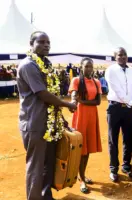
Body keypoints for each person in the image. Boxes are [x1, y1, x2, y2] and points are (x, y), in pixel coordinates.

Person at [16, 31, 77, 200]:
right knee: (36, 166)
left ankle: (46, 196)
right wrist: (67, 104)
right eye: (41, 42)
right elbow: (43, 94)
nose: (46, 45)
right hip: (35, 123)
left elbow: (51, 94)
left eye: (48, 42)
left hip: (50, 124)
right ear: (31, 44)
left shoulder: (47, 65)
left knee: (48, 163)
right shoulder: (28, 65)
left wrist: (61, 120)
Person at [105, 47, 132, 182]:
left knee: (129, 139)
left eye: (124, 54)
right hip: (115, 108)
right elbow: (118, 90)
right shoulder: (110, 70)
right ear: (115, 57)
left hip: (128, 110)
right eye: (119, 55)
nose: (122, 57)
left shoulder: (131, 70)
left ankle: (126, 166)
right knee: (113, 140)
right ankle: (113, 169)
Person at [69, 57, 102, 193]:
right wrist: (74, 100)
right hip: (80, 116)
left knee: (87, 148)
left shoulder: (96, 82)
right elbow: (73, 94)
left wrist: (82, 101)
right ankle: (81, 178)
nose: (89, 69)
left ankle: (82, 175)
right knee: (80, 148)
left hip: (92, 117)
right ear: (81, 67)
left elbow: (98, 102)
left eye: (91, 66)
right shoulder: (76, 80)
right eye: (86, 66)